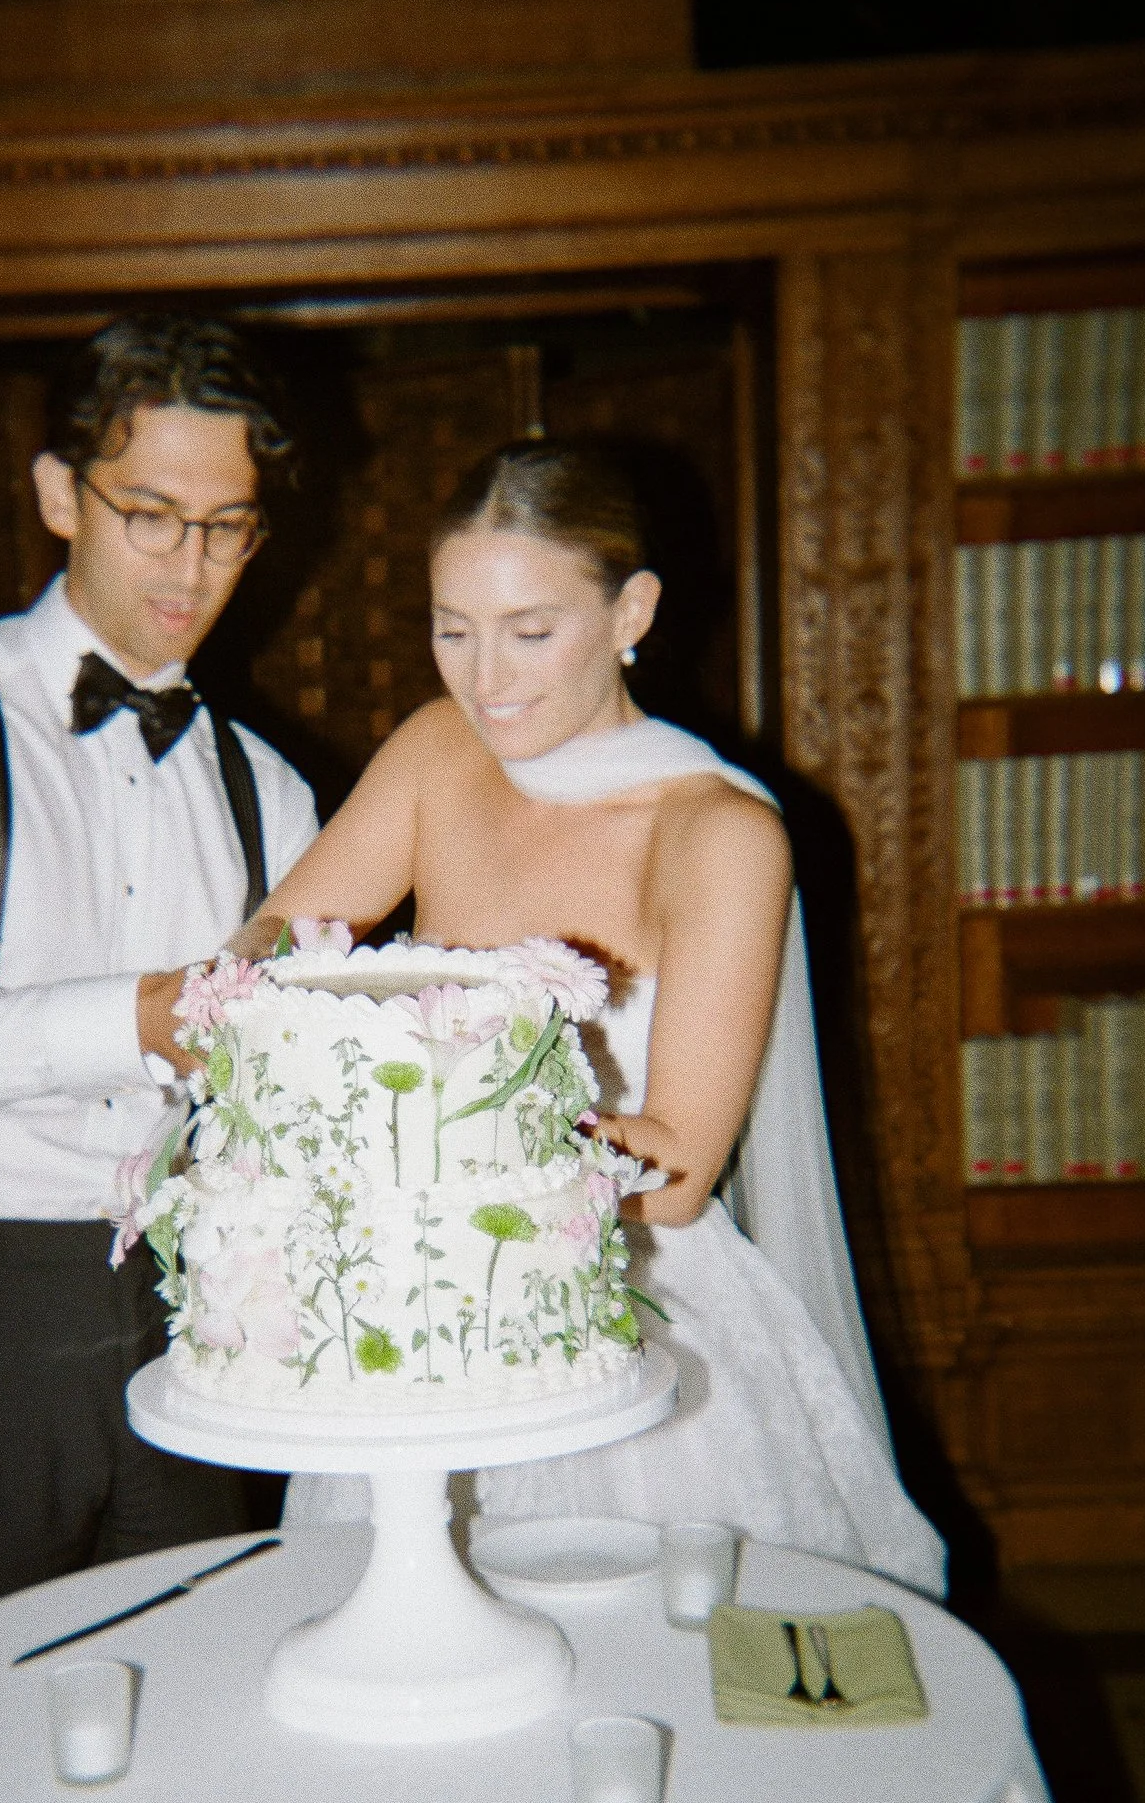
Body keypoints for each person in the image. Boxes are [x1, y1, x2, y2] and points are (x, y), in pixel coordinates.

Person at [251, 438, 945, 1594]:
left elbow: (674, 1168)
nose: (487, 679)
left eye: (531, 630)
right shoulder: (434, 752)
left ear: (632, 609)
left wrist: (432, 1145)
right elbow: (280, 939)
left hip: (628, 1309)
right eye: (451, 628)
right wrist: (244, 1002)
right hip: (413, 1297)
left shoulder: (718, 833)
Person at [0, 315, 321, 1671]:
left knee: (200, 1695)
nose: (192, 566)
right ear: (54, 492)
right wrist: (144, 1016)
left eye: (229, 525)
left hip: (196, 1307)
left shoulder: (274, 787)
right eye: (150, 513)